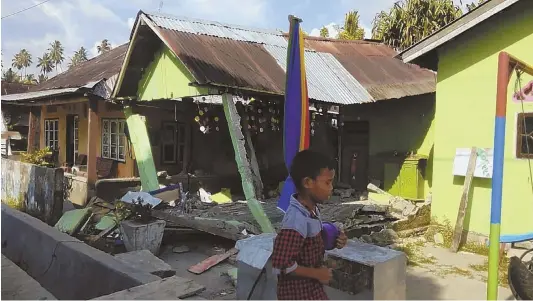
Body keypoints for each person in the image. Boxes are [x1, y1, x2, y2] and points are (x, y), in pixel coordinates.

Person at [272, 150, 348, 300]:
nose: (331, 187)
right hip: (297, 294)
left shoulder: (312, 210)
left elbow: (310, 244)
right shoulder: (295, 220)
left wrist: (336, 240)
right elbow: (280, 266)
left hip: (312, 289)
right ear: (307, 182)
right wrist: (318, 273)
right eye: (327, 182)